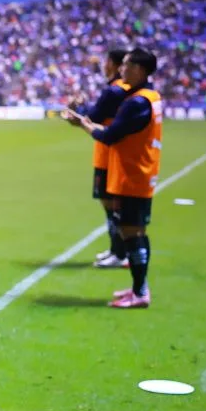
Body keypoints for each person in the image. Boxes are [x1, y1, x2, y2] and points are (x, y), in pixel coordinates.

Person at [64, 48, 161, 309]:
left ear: (139, 70)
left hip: (132, 175)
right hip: (139, 172)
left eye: (126, 65)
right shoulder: (149, 97)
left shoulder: (137, 102)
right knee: (135, 231)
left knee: (132, 232)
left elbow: (110, 135)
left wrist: (82, 123)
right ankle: (138, 288)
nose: (121, 70)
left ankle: (140, 292)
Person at [81, 50, 132, 269]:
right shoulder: (126, 90)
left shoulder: (115, 90)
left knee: (111, 205)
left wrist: (79, 109)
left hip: (108, 154)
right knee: (112, 205)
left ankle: (120, 252)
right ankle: (116, 250)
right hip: (114, 153)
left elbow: (93, 116)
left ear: (112, 63)